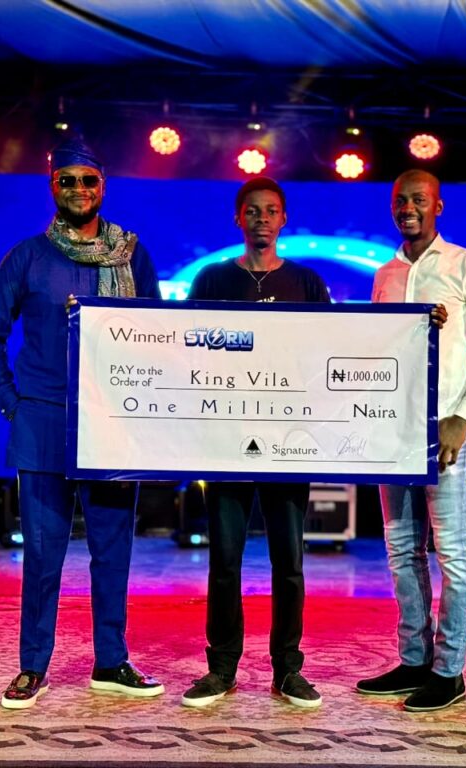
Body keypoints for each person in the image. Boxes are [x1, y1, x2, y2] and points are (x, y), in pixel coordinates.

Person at [0, 136, 164, 709]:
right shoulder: (29, 257)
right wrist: (13, 402)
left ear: (103, 187)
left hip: (111, 426)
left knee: (113, 551)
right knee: (42, 554)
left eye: (88, 180)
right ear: (52, 186)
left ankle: (111, 661)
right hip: (42, 426)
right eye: (67, 180)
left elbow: (158, 337)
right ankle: (32, 666)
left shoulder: (131, 256)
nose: (78, 189)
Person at [356, 169, 466, 712]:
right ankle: (414, 661)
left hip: (448, 428)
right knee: (402, 551)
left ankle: (449, 673)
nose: (408, 208)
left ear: (438, 206)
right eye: (400, 200)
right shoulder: (385, 274)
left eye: (419, 199)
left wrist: (463, 418)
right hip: (395, 431)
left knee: (454, 553)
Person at [180, 177, 329, 709]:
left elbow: (329, 353)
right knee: (224, 561)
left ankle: (288, 669)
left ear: (283, 219)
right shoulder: (212, 278)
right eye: (252, 210)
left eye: (271, 210)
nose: (261, 218)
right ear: (237, 218)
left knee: (289, 563)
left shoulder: (307, 282)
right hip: (225, 442)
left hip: (288, 443)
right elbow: (187, 349)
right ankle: (221, 668)